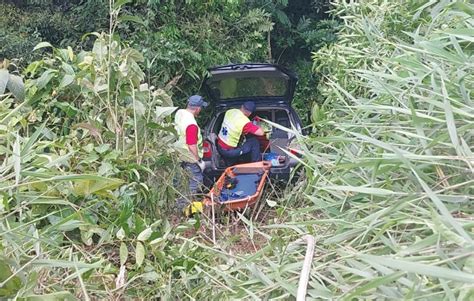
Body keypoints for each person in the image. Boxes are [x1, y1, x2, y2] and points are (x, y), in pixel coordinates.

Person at [173, 95, 208, 211]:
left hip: (179, 155)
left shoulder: (180, 113)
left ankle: (178, 208)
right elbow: (191, 144)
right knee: (195, 183)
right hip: (189, 158)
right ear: (197, 108)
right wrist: (199, 161)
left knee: (181, 183)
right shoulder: (191, 124)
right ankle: (185, 210)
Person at [217, 101, 265, 166]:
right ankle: (256, 166)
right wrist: (259, 125)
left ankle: (227, 161)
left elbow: (234, 125)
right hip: (230, 152)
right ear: (250, 113)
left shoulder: (230, 111)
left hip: (219, 146)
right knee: (254, 141)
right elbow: (261, 133)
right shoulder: (244, 122)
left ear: (242, 106)